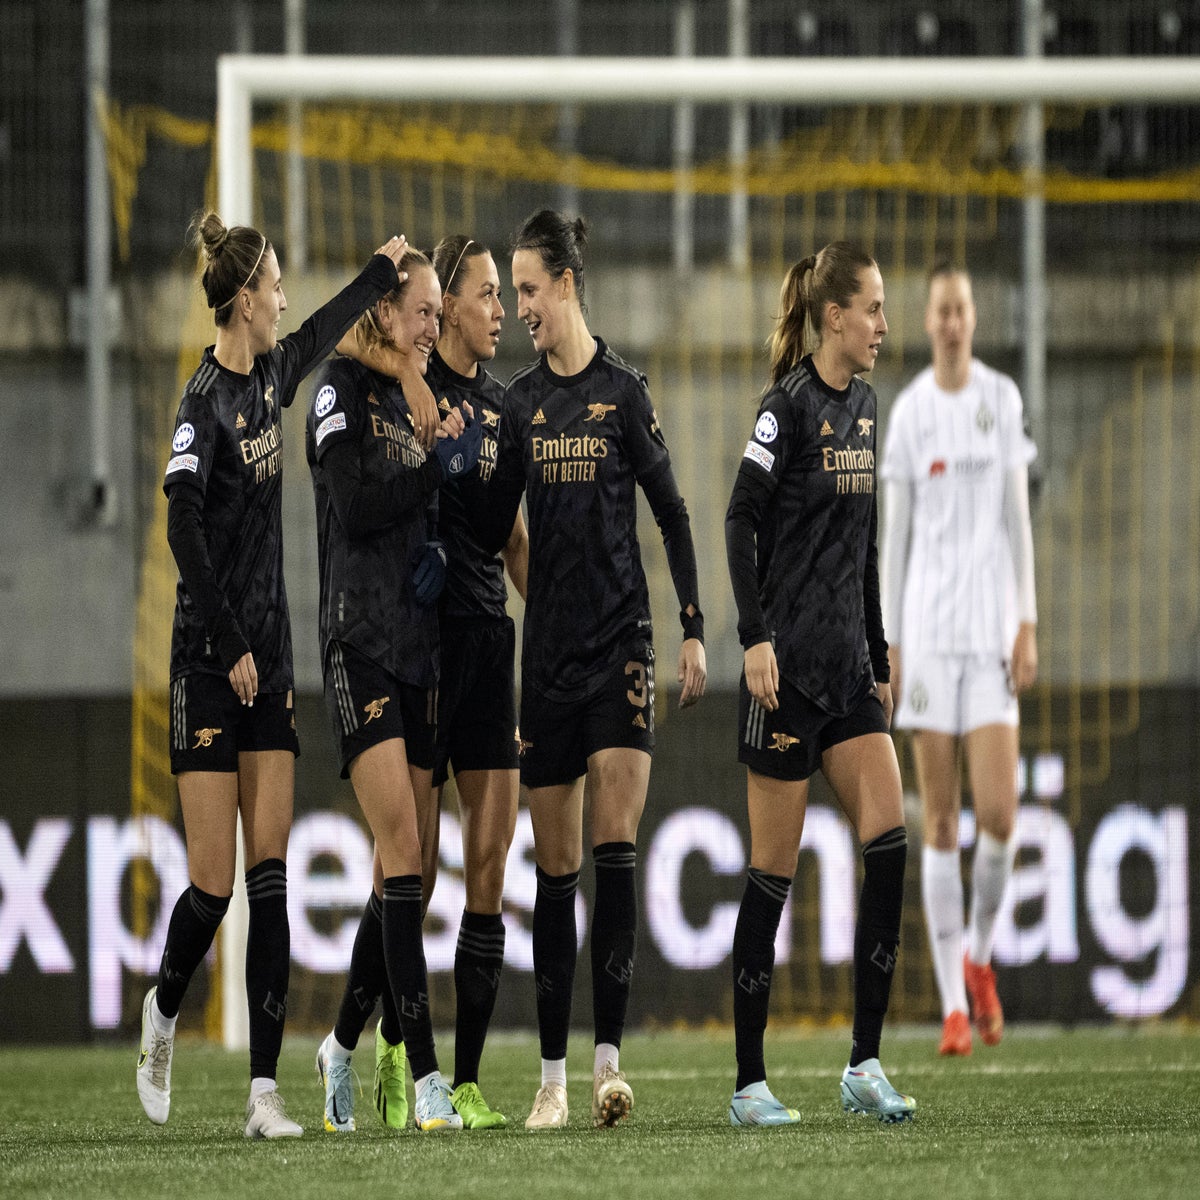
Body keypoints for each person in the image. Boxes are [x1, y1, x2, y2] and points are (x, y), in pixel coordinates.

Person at [137, 211, 408, 1139]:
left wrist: (380, 273)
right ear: (245, 298)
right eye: (277, 285)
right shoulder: (201, 403)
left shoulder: (272, 378)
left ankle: (262, 1094)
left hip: (274, 664)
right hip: (209, 666)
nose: (285, 297)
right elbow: (183, 528)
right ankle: (163, 1012)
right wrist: (228, 643)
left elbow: (324, 326)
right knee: (212, 884)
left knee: (271, 878)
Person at [470, 209, 707, 1130]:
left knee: (615, 851)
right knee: (554, 872)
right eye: (514, 292)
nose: (519, 306)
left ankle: (607, 1069)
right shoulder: (519, 403)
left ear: (566, 283)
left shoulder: (623, 392)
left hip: (623, 655)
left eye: (528, 289)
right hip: (550, 665)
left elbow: (674, 514)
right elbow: (496, 529)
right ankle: (553, 1079)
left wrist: (689, 628)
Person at [314, 235, 528, 1133]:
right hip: (357, 644)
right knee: (404, 851)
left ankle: (339, 1048)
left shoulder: (419, 397)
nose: (434, 324)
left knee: (409, 867)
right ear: (387, 306)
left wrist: (444, 530)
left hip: (419, 652)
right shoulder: (340, 388)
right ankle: (432, 1079)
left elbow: (436, 511)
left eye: (444, 312)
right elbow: (357, 504)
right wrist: (425, 480)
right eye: (426, 310)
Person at [724, 241, 915, 1126]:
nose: (883, 324)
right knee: (772, 874)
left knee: (890, 845)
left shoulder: (869, 408)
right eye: (873, 308)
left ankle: (863, 1065)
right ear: (833, 315)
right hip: (786, 679)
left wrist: (880, 650)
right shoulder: (788, 409)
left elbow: (863, 546)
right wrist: (753, 639)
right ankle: (749, 1083)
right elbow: (738, 519)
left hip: (847, 674)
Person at [880, 263, 1037, 1057]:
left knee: (1001, 817)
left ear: (974, 319)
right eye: (940, 310)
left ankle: (978, 958)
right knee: (939, 820)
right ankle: (950, 1006)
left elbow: (1017, 518)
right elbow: (894, 540)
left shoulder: (1000, 402)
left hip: (990, 636)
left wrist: (1028, 621)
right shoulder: (909, 414)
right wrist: (889, 642)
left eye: (961, 310)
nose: (951, 322)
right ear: (929, 320)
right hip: (929, 638)